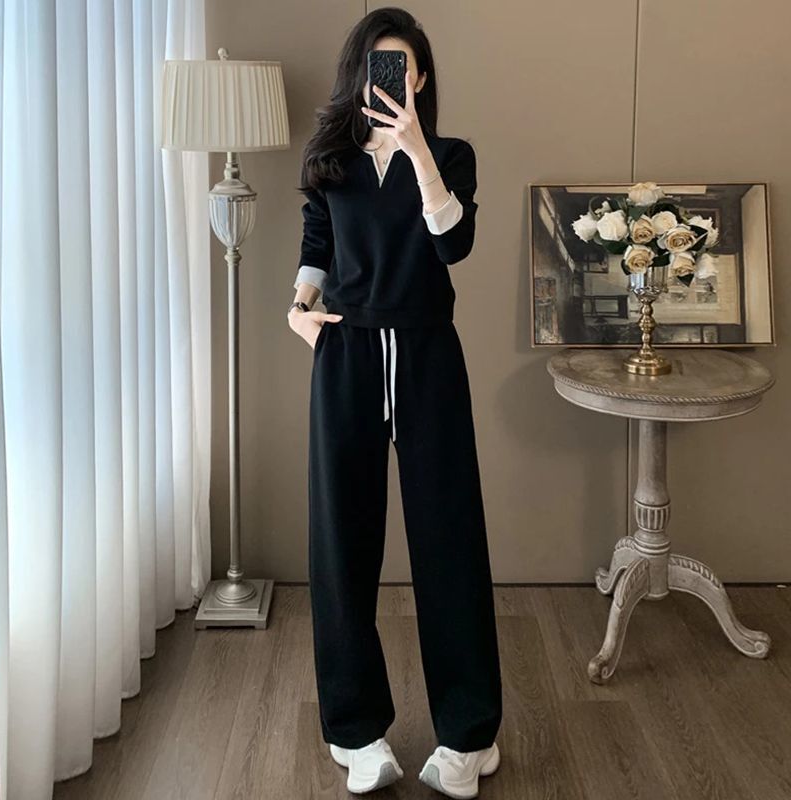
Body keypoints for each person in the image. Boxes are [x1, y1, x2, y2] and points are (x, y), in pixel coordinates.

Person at [287, 8, 503, 797]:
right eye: (379, 64)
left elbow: (454, 242)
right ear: (359, 72)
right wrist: (297, 308)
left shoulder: (450, 155)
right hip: (345, 356)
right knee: (342, 542)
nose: (392, 77)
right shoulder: (332, 159)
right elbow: (316, 245)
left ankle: (470, 737)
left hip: (427, 357)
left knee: (450, 539)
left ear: (420, 77)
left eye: (403, 65)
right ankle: (355, 732)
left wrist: (415, 149)